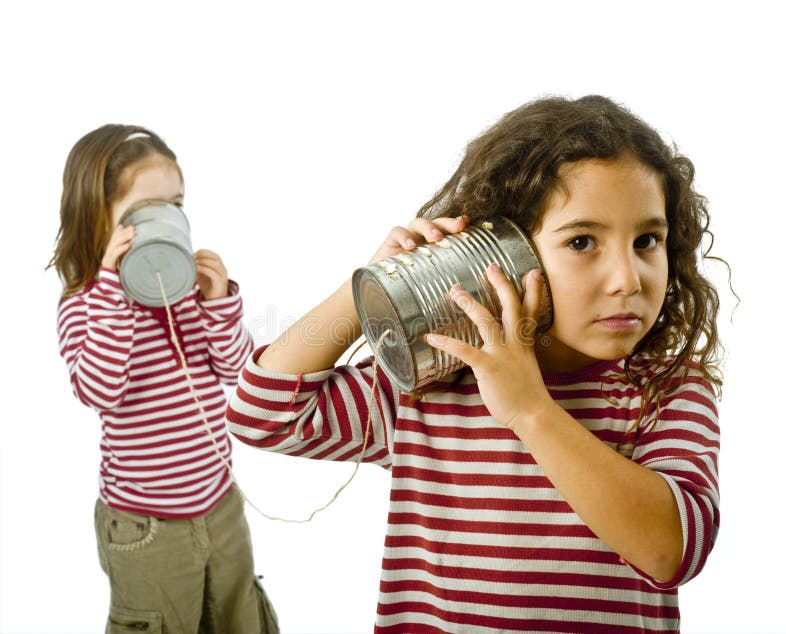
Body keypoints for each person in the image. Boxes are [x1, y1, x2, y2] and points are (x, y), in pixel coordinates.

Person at [225, 95, 722, 633]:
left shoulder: (669, 390)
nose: (628, 278)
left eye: (647, 240)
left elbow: (672, 550)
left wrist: (531, 411)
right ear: (499, 254)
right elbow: (263, 412)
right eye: (582, 241)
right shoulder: (435, 385)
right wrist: (365, 288)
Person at [49, 124, 279, 633]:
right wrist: (114, 294)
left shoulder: (186, 292)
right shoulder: (85, 305)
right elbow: (101, 391)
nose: (168, 219)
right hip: (146, 527)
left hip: (220, 505)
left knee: (238, 618)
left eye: (176, 204)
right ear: (98, 218)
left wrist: (218, 303)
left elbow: (238, 373)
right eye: (144, 212)